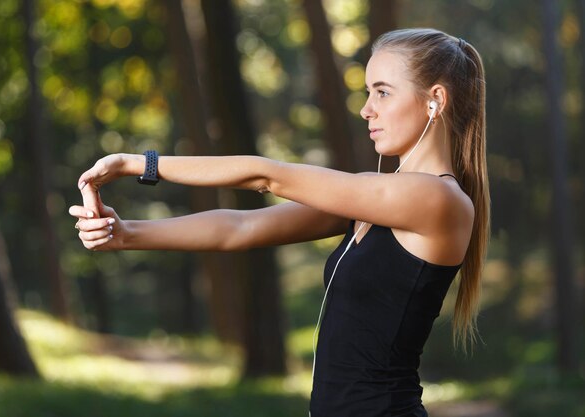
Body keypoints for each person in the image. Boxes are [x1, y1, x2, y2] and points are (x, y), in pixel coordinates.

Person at [69, 28, 489, 417]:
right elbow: (242, 228)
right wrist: (124, 234)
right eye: (367, 92)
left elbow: (265, 176)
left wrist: (140, 163)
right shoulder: (379, 199)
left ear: (435, 99)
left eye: (382, 92)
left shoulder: (438, 198)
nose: (365, 110)